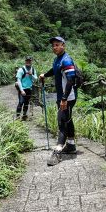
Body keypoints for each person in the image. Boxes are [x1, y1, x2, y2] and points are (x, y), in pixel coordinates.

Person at [40, 36, 77, 166]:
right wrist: (45, 75)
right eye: (53, 45)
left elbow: (71, 80)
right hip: (62, 96)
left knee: (62, 121)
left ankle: (58, 151)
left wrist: (64, 99)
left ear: (63, 45)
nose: (54, 47)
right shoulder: (57, 60)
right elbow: (54, 71)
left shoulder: (66, 60)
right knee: (68, 119)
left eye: (57, 45)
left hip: (68, 97)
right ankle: (71, 146)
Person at [16, 56, 37, 120]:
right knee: (21, 102)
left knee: (26, 102)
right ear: (25, 61)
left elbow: (36, 79)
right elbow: (18, 80)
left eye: (29, 61)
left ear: (31, 62)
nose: (28, 62)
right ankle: (18, 116)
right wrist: (22, 90)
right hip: (22, 88)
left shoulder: (33, 69)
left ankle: (24, 115)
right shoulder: (21, 69)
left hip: (29, 89)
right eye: (27, 61)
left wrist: (31, 75)